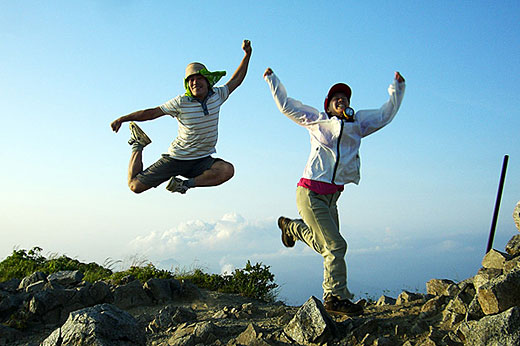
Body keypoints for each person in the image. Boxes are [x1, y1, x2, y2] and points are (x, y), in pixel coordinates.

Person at [263, 67, 405, 315]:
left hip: (332, 197)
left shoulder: (358, 124)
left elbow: (385, 115)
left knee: (325, 246)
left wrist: (397, 88)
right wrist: (272, 79)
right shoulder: (318, 121)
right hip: (310, 192)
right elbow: (286, 105)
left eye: (346, 98)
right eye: (336, 98)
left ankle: (291, 227)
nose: (342, 100)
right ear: (328, 105)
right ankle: (335, 297)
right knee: (336, 245)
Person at [110, 40, 252, 194]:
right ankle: (138, 144)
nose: (195, 83)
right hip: (177, 158)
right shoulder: (181, 102)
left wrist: (247, 54)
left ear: (207, 81)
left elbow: (236, 80)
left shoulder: (218, 95)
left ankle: (184, 185)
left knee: (226, 170)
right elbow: (151, 113)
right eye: (191, 80)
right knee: (135, 186)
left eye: (198, 79)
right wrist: (122, 119)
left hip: (201, 160)